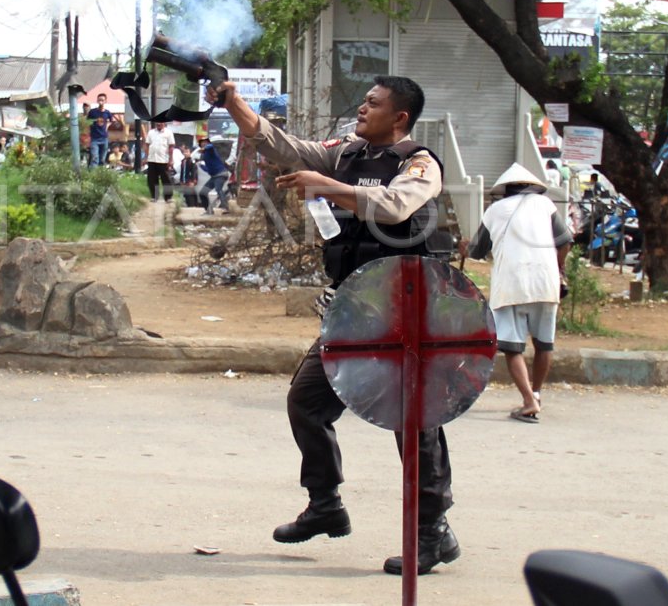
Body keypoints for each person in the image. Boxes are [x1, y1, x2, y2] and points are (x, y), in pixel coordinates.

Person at [206, 74, 458, 577]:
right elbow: (280, 145)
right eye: (364, 102)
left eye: (373, 104)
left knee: (413, 422)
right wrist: (234, 104)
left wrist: (325, 187)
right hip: (354, 308)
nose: (362, 109)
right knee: (307, 401)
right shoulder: (345, 154)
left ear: (400, 117)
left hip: (407, 310)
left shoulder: (419, 163)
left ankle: (433, 532)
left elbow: (395, 205)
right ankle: (326, 505)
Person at [462, 163, 572, 423]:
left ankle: (528, 401)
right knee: (544, 343)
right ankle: (536, 393)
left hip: (511, 283)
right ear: (533, 187)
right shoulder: (546, 206)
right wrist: (558, 268)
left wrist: (464, 247)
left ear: (507, 190)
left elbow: (477, 251)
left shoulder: (495, 210)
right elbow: (565, 241)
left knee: (512, 348)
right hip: (546, 282)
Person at [198, 136, 231, 214]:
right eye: (202, 143)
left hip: (221, 174)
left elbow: (211, 146)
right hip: (214, 176)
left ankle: (226, 208)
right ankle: (208, 210)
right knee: (203, 192)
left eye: (205, 142)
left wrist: (205, 147)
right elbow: (209, 169)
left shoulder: (210, 150)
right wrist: (201, 166)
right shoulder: (205, 155)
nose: (203, 144)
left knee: (218, 189)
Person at [144, 121, 174, 202]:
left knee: (166, 179)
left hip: (163, 160)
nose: (159, 124)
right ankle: (154, 196)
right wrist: (146, 157)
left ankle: (168, 197)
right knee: (152, 179)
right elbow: (147, 145)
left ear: (164, 123)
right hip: (152, 159)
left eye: (160, 122)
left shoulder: (168, 133)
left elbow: (171, 146)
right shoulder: (151, 132)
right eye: (157, 122)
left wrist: (171, 159)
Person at [86, 95, 113, 168]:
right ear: (97, 101)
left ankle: (100, 174)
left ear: (105, 101)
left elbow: (111, 121)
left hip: (104, 138)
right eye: (99, 100)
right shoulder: (92, 112)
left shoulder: (107, 112)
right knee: (95, 157)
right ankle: (93, 174)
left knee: (102, 158)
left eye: (102, 100)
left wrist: (107, 127)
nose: (101, 101)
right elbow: (88, 122)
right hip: (94, 138)